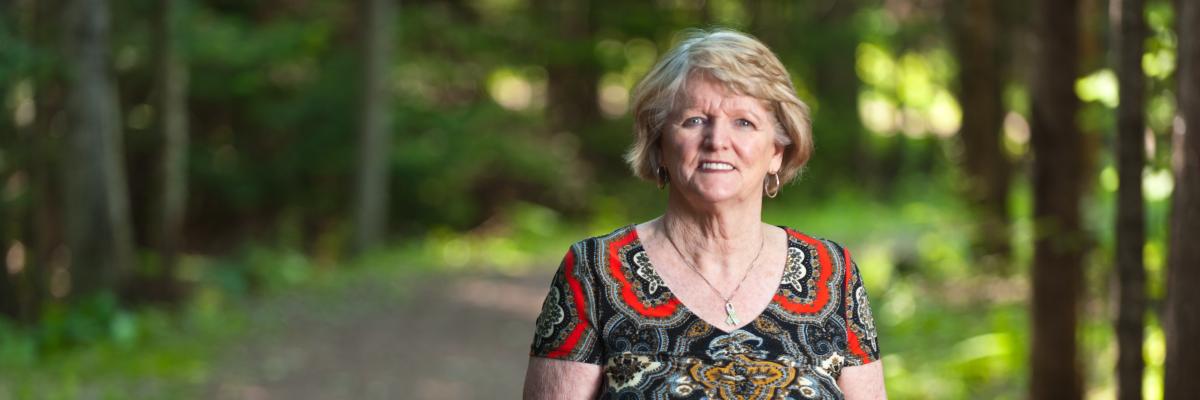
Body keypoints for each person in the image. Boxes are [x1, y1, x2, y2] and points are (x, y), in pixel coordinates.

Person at [522, 28, 885, 399]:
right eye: (695, 120)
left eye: (744, 122)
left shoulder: (831, 272)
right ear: (660, 143)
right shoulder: (595, 271)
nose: (717, 140)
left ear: (777, 150)